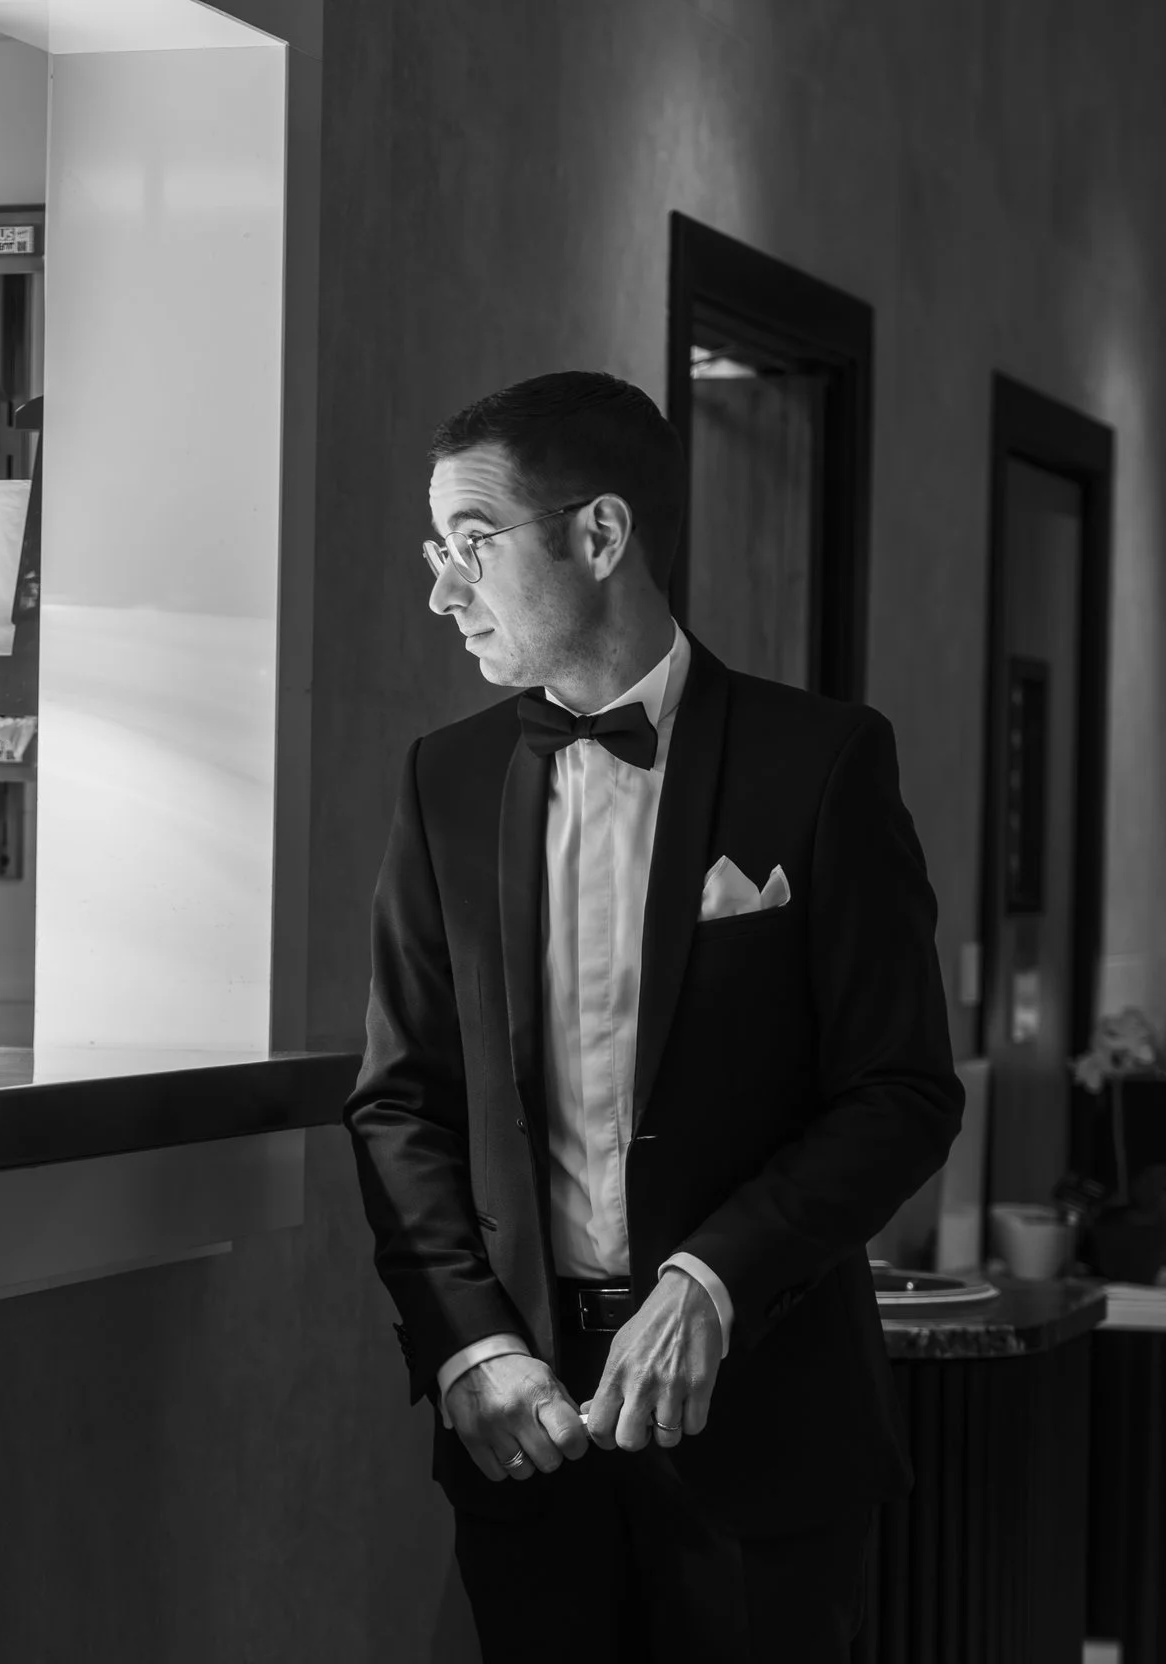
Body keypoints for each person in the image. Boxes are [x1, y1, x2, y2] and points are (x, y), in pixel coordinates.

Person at [344, 371, 962, 1661]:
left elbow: (901, 1090)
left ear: (600, 535)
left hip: (767, 1429)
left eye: (470, 545)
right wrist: (467, 1346)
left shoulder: (824, 761)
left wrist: (712, 1276)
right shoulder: (443, 779)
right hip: (523, 1427)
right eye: (434, 552)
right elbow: (401, 1101)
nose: (440, 590)